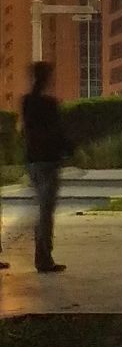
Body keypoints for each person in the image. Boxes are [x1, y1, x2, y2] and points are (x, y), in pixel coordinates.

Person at [21, 62, 70, 273]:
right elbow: (57, 132)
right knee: (45, 211)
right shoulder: (49, 104)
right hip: (48, 161)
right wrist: (69, 149)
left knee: (43, 209)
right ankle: (43, 257)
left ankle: (42, 255)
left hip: (33, 160)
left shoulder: (27, 103)